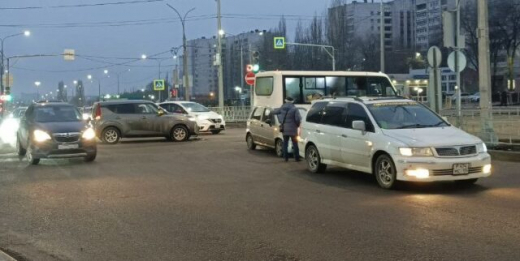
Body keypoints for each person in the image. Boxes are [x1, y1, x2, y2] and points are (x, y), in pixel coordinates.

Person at [274, 97, 302, 162]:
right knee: (295, 143)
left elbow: (276, 112)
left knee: (285, 143)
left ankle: (285, 158)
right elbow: (298, 119)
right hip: (293, 129)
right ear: (292, 101)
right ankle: (296, 158)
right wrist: (297, 125)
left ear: (286, 101)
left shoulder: (282, 107)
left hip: (285, 128)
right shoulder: (295, 109)